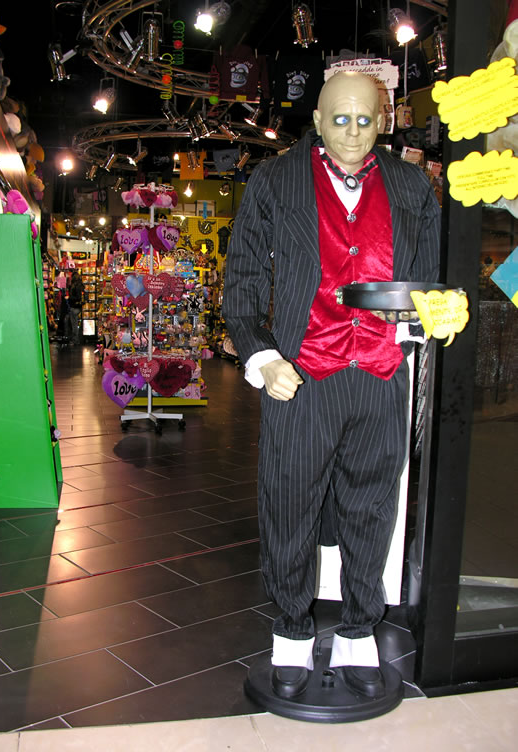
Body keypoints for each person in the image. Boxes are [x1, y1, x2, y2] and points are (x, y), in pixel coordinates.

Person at [223, 71, 440, 701]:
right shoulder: (274, 181)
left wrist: (421, 325)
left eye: (365, 120)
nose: (352, 132)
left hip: (380, 373)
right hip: (301, 375)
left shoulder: (410, 186)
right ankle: (291, 631)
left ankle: (357, 632)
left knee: (371, 509)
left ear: (384, 121)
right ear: (317, 121)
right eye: (339, 119)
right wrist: (262, 355)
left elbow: (427, 277)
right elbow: (242, 280)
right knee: (289, 503)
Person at [68, 271, 84, 346]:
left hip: (74, 306)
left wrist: (70, 298)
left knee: (74, 324)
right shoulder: (81, 285)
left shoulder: (73, 286)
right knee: (78, 323)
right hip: (80, 307)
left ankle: (75, 339)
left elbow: (75, 297)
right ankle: (79, 338)